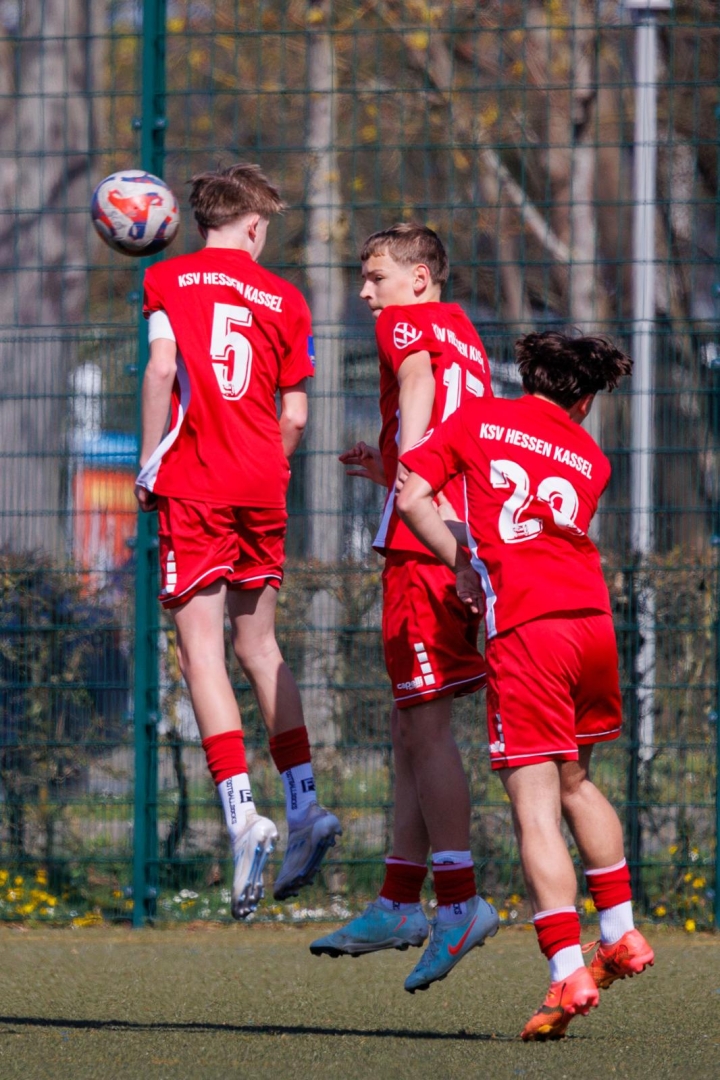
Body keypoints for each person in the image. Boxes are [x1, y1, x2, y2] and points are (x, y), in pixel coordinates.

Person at [396, 330, 655, 1039]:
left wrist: (462, 563)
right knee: (576, 782)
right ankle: (622, 932)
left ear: (529, 375)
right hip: (592, 622)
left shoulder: (479, 417)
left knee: (533, 806)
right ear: (586, 398)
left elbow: (413, 495)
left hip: (528, 628)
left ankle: (567, 968)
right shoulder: (593, 458)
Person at [134, 162, 341, 919]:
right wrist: (265, 468)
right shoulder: (287, 298)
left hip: (195, 483)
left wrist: (148, 462)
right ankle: (305, 806)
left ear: (200, 223)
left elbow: (163, 369)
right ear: (254, 225)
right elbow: (296, 416)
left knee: (201, 653)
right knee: (261, 648)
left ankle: (243, 816)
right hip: (262, 484)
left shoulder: (168, 279)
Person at [310, 224, 498, 992]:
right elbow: (462, 426)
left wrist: (410, 471)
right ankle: (397, 900)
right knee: (412, 726)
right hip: (461, 532)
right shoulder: (466, 333)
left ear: (419, 278)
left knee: (425, 729)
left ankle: (457, 903)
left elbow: (417, 380)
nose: (366, 292)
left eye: (376, 276)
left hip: (424, 545)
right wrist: (393, 468)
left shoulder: (406, 323)